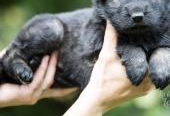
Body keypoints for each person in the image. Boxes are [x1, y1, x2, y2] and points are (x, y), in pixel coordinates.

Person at [0, 21, 154, 115]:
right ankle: (14, 57)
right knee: (50, 31)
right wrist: (95, 102)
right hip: (50, 44)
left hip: (54, 74)